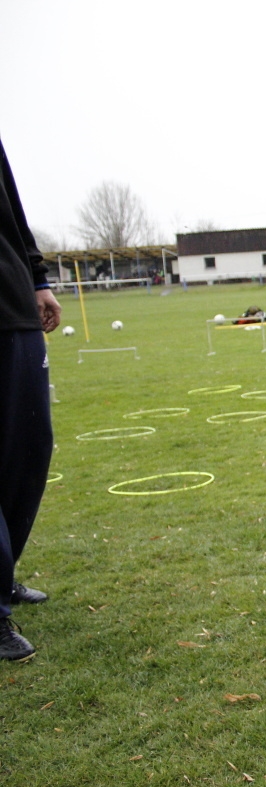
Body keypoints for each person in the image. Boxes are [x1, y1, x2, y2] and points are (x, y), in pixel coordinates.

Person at [0, 137, 59, 661]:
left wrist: (37, 277)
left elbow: (11, 208)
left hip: (11, 305)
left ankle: (4, 575)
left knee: (29, 449)